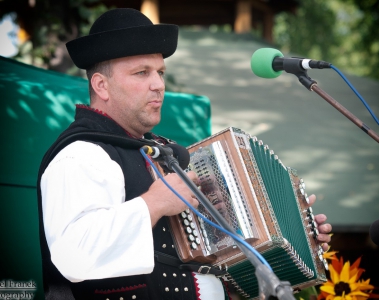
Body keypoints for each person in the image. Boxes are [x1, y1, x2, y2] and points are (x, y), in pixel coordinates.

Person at [37, 8, 332, 300]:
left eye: (161, 72)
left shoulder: (158, 151)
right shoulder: (80, 154)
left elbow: (207, 254)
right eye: (142, 73)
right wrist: (152, 204)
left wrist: (297, 235)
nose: (159, 85)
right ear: (101, 85)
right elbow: (72, 254)